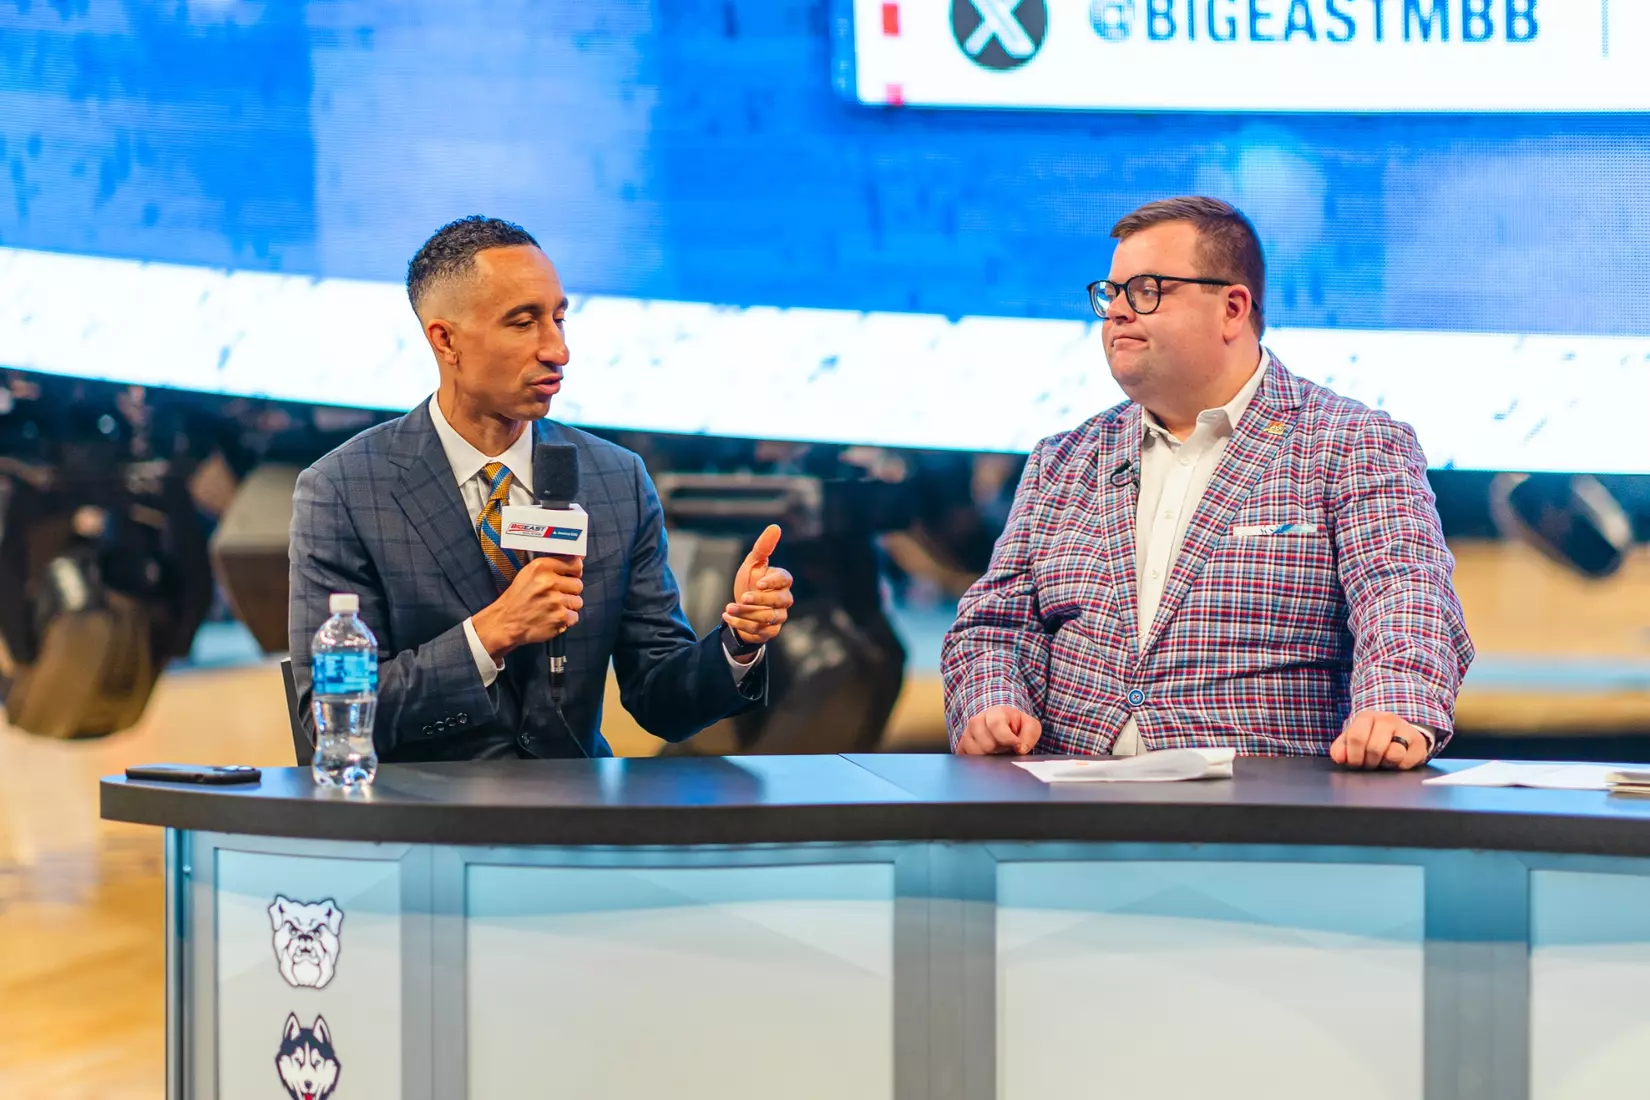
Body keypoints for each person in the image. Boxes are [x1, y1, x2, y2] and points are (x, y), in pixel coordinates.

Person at [941, 196, 1473, 771]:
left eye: (1146, 290)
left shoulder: (1351, 442)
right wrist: (990, 702)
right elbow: (992, 625)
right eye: (1111, 294)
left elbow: (1404, 597)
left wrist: (1394, 711)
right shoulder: (1064, 459)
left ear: (1233, 308)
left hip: (1263, 813)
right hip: (1068, 806)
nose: (1118, 311)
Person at [287, 216, 794, 760]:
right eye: (523, 323)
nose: (557, 350)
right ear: (446, 340)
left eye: (558, 318)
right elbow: (334, 717)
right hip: (425, 821)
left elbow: (662, 702)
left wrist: (737, 642)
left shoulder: (615, 478)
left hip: (575, 821)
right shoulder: (343, 489)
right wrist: (490, 634)